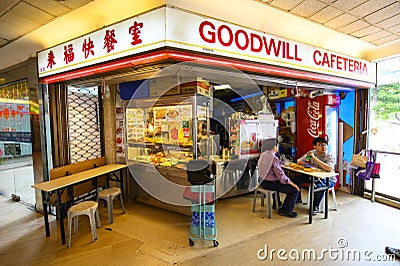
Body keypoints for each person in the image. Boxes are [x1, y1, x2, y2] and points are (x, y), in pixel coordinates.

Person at [257, 138, 300, 218]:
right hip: (269, 183)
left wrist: (281, 163)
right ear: (274, 146)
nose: (278, 147)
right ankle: (286, 210)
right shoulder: (273, 157)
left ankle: (276, 203)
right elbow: (282, 177)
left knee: (277, 181)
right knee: (294, 190)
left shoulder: (264, 154)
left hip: (261, 180)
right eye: (277, 145)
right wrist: (293, 184)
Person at [295, 136, 336, 215]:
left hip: (328, 179)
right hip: (314, 176)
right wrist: (308, 164)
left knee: (319, 186)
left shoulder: (329, 156)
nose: (323, 147)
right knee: (296, 180)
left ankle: (315, 206)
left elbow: (329, 168)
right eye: (320, 145)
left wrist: (314, 159)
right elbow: (299, 161)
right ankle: (298, 198)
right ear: (315, 146)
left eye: (325, 145)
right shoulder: (311, 153)